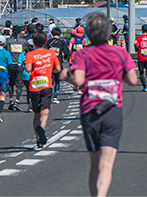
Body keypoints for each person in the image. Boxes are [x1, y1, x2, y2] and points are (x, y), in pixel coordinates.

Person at [60, 12, 137, 197]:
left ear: (89, 33)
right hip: (112, 110)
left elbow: (78, 80)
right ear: (108, 32)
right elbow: (132, 80)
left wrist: (65, 77)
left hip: (90, 111)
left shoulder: (83, 53)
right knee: (106, 164)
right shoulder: (120, 52)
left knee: (94, 163)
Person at [24, 32, 61, 148]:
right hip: (47, 85)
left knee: (36, 113)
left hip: (34, 86)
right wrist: (50, 70)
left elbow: (28, 68)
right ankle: (42, 129)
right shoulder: (51, 54)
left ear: (34, 42)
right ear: (45, 42)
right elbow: (58, 68)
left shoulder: (30, 54)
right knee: (45, 111)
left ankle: (38, 139)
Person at [45, 28, 70, 104]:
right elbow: (66, 52)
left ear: (52, 34)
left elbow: (45, 51)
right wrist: (66, 58)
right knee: (57, 81)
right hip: (58, 63)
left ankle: (48, 96)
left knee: (49, 80)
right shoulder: (62, 42)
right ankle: (55, 96)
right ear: (60, 34)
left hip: (49, 63)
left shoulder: (49, 42)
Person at [5, 32, 26, 110]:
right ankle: (17, 101)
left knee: (11, 83)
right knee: (19, 84)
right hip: (19, 65)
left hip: (10, 64)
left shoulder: (8, 41)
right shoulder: (23, 41)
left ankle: (11, 99)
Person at [134, 24, 147, 91]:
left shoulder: (138, 38)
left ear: (141, 29)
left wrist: (138, 50)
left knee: (141, 72)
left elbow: (136, 46)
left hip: (141, 57)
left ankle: (144, 87)